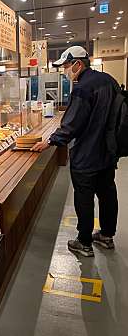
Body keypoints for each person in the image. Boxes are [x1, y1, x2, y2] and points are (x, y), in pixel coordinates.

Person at [31, 46, 120, 257]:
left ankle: (84, 242)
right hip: (108, 152)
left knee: (84, 197)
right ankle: (107, 236)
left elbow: (72, 124)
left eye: (66, 66)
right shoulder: (109, 81)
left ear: (78, 64)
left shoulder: (82, 87)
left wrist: (52, 141)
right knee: (107, 193)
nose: (65, 71)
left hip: (87, 154)